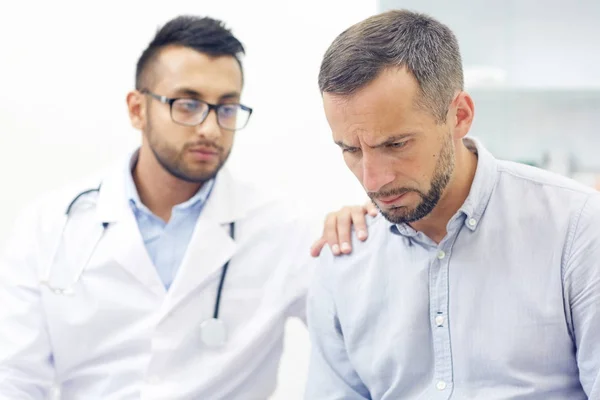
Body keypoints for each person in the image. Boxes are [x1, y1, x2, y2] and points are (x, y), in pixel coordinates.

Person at [0, 15, 374, 399]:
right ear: (137, 109)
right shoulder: (48, 226)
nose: (210, 128)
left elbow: (360, 345)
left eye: (226, 108)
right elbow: (15, 378)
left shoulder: (284, 228)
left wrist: (366, 235)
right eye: (188, 104)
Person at [305, 9, 600, 400]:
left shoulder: (577, 228)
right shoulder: (344, 258)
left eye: (395, 144)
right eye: (350, 150)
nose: (373, 180)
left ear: (460, 116)